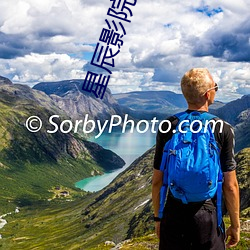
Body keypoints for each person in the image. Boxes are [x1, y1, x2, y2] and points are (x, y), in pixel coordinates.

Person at [152, 68, 240, 250]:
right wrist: (235, 225)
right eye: (216, 87)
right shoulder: (222, 129)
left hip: (174, 212)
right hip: (207, 215)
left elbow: (157, 181)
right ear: (208, 94)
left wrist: (158, 218)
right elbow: (230, 185)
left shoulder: (168, 125)